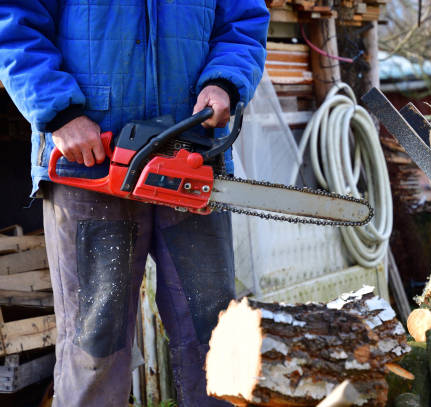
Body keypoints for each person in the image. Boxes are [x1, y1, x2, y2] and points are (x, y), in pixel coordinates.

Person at [0, 2, 269, 406]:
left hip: (192, 156)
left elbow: (244, 19)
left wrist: (225, 81)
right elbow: (13, 22)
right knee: (95, 341)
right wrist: (58, 111)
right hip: (91, 163)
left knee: (211, 333)